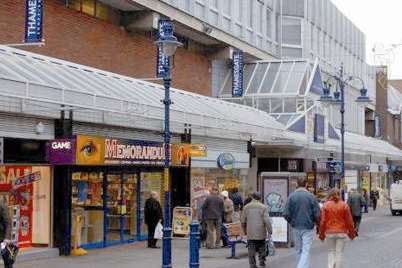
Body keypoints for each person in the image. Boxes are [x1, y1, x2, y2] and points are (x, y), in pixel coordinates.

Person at [283, 177, 320, 268]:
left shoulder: (291, 196)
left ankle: (302, 265)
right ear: (306, 184)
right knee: (306, 250)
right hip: (308, 226)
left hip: (296, 226)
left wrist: (292, 222)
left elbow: (286, 213)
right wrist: (316, 223)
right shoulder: (311, 197)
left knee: (298, 249)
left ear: (297, 184)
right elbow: (317, 214)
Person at [319, 188, 356, 268]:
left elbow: (322, 222)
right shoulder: (344, 205)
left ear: (330, 194)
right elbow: (349, 221)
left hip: (329, 232)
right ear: (339, 194)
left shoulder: (326, 205)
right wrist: (352, 234)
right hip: (341, 232)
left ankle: (330, 266)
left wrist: (321, 235)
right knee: (339, 252)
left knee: (331, 251)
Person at [241, 192, 272, 268]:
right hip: (261, 231)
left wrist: (244, 231)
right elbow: (267, 221)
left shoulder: (246, 207)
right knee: (262, 246)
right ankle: (262, 260)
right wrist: (270, 231)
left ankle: (252, 264)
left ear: (252, 197)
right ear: (260, 198)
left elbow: (243, 221)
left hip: (250, 231)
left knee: (251, 247)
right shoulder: (263, 207)